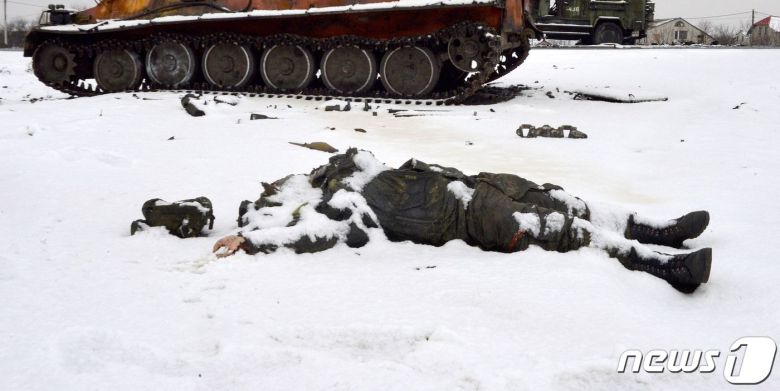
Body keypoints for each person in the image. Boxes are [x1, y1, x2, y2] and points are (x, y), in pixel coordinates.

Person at [213, 148, 712, 293]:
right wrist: (255, 243)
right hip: (468, 215)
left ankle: (658, 229)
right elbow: (317, 236)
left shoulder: (361, 168)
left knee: (565, 201)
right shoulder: (343, 207)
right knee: (556, 228)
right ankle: (662, 265)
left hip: (474, 181)